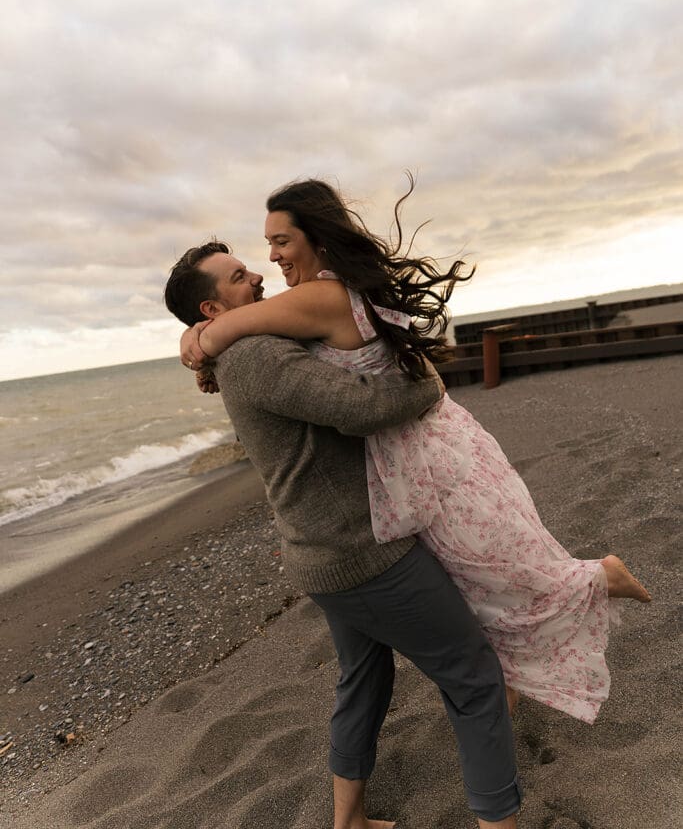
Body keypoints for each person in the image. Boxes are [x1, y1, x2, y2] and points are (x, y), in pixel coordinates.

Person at [179, 178, 651, 725]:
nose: (271, 256)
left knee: (486, 570)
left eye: (281, 241)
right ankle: (507, 687)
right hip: (420, 450)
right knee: (469, 578)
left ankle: (600, 576)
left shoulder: (318, 295)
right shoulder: (325, 290)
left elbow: (225, 331)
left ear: (315, 237)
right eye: (268, 244)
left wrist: (196, 340)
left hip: (423, 453)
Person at [165, 243, 521, 829]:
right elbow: (361, 408)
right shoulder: (255, 355)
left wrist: (197, 342)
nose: (256, 274)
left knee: (364, 677)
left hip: (320, 552)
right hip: (363, 552)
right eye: (237, 277)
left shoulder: (243, 344)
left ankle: (348, 821)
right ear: (211, 306)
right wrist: (427, 377)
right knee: (475, 676)